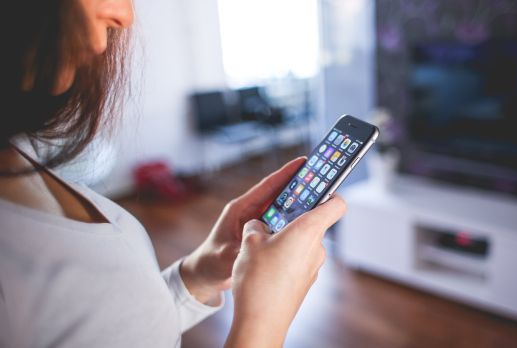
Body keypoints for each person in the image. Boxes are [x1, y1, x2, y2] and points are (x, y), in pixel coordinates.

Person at [0, 0, 346, 347]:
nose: (125, 15)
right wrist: (264, 320)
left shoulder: (17, 158)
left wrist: (200, 273)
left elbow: (120, 327)